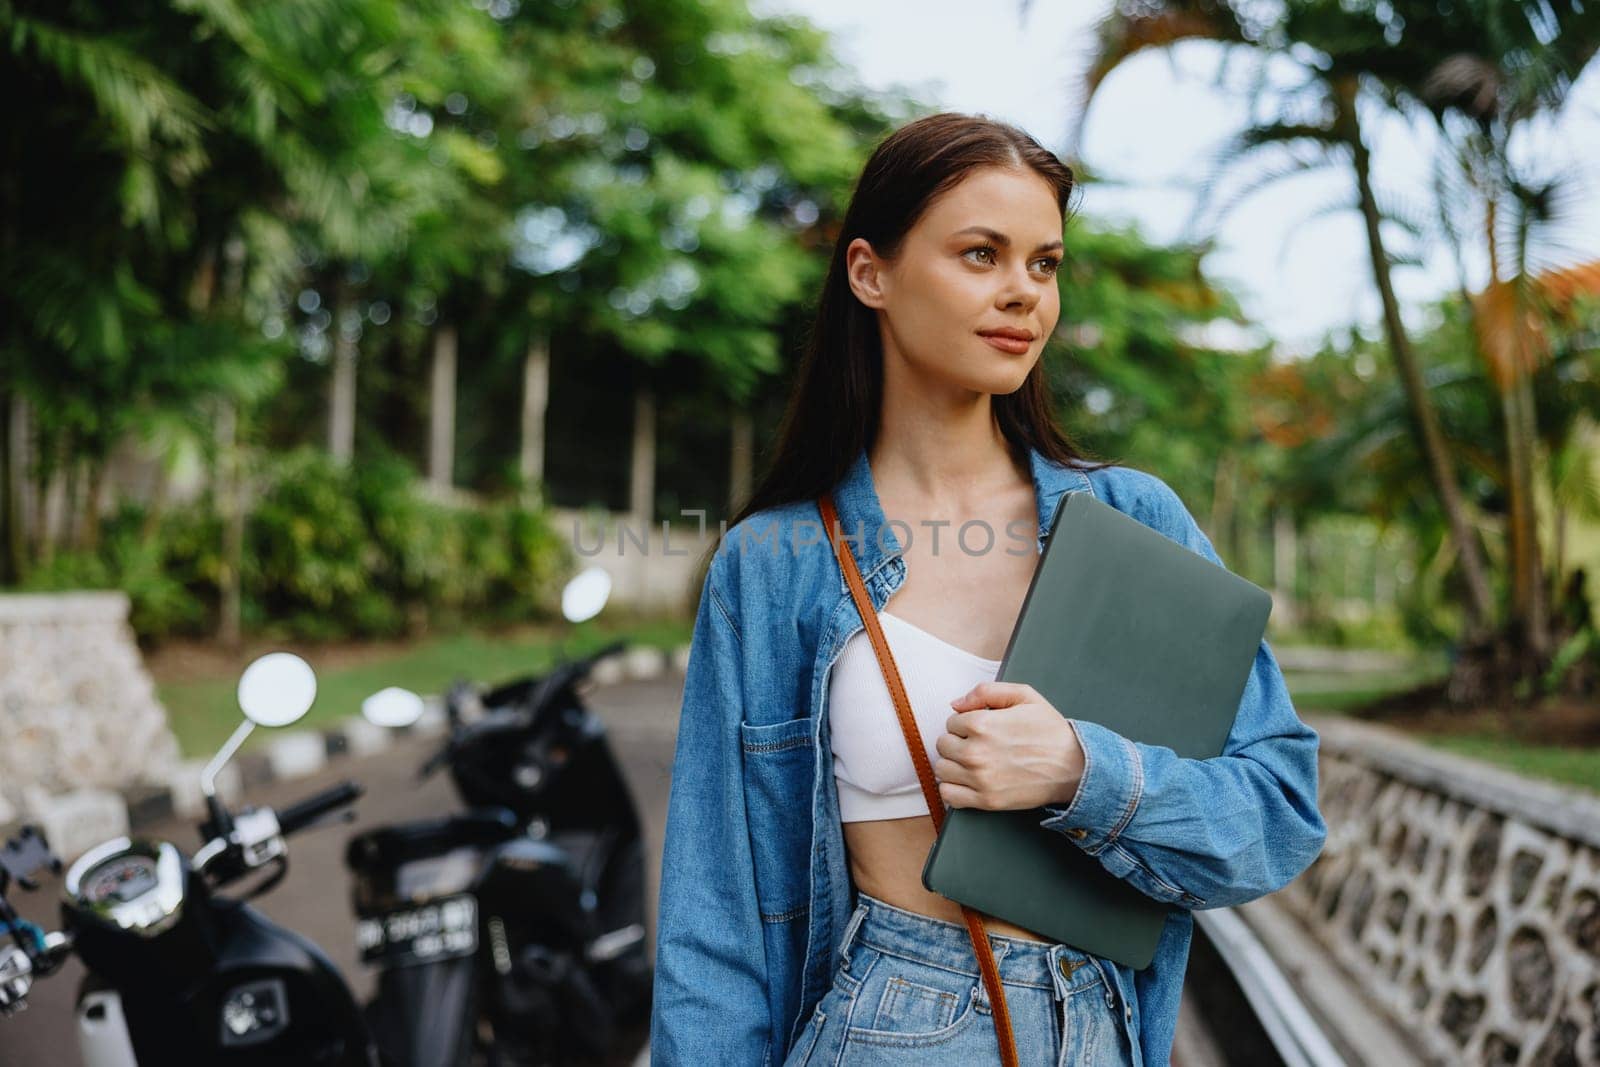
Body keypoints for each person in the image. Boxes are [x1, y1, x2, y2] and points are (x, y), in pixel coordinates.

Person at [649, 112, 1327, 1066]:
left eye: (1044, 264)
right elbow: (714, 927)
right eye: (981, 254)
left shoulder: (1134, 519)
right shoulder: (774, 564)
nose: (1023, 294)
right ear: (869, 273)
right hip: (890, 1023)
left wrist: (1083, 773)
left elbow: (1279, 811)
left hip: (1102, 1023)